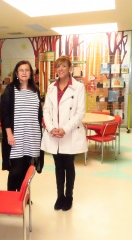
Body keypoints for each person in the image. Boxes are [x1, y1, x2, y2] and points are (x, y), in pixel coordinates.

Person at [41, 55, 88, 211]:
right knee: (58, 166)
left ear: (69, 68)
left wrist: (65, 129)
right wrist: (51, 128)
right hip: (54, 133)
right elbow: (46, 110)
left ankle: (69, 197)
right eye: (58, 67)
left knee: (69, 165)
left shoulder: (78, 87)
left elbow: (80, 113)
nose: (60, 69)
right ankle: (59, 196)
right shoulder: (51, 87)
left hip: (70, 133)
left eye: (63, 66)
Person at [0, 60, 44, 191]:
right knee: (15, 170)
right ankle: (12, 197)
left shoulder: (35, 90)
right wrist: (9, 134)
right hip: (16, 137)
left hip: (33, 136)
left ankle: (23, 196)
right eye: (21, 70)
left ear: (31, 73)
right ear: (16, 73)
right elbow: (5, 114)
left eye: (27, 70)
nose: (24, 73)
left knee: (27, 169)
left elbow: (38, 113)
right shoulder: (10, 89)